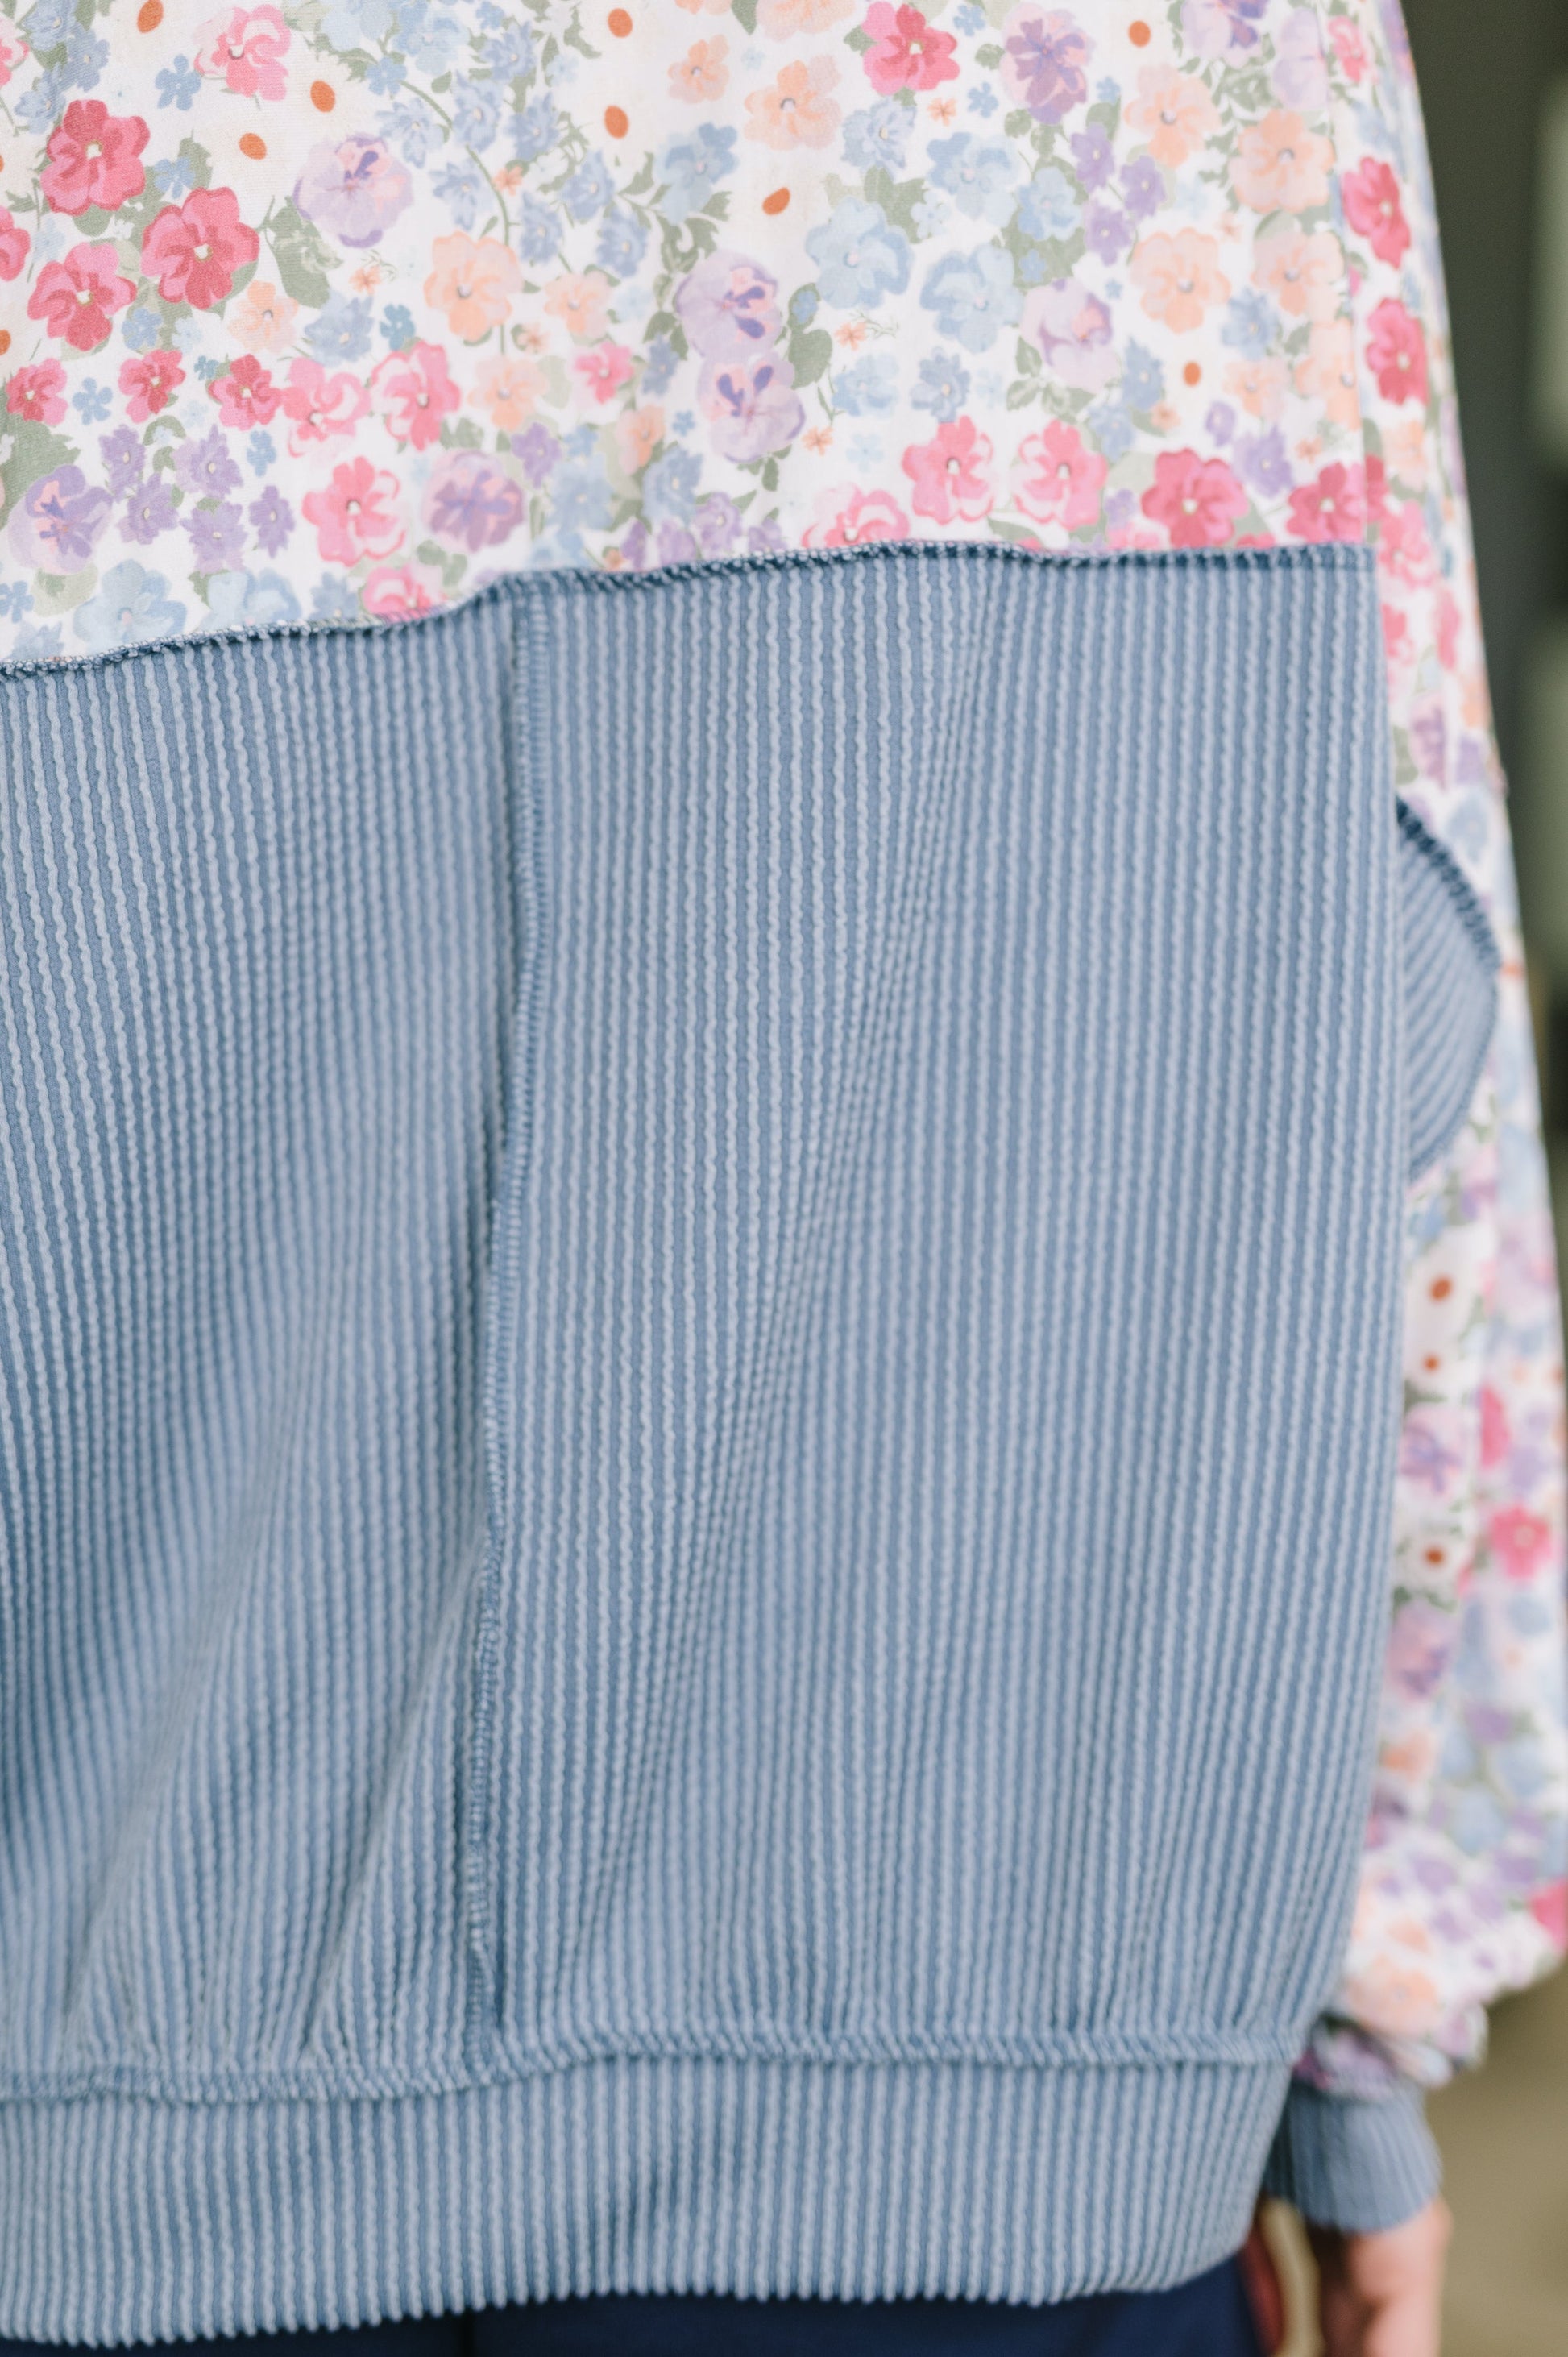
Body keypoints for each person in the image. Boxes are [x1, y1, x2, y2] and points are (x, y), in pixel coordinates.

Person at [0, 3, 1562, 2353]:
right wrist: (1373, 2018)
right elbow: (1414, 1037)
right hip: (1007, 2155)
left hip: (92, 2143)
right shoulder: (1202, 40)